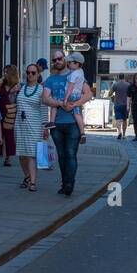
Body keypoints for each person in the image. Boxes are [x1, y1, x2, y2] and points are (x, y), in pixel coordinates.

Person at [45, 51, 94, 195]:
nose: (57, 61)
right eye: (55, 59)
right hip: (57, 124)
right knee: (61, 155)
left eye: (60, 58)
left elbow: (88, 94)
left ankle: (69, 184)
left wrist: (75, 104)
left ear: (65, 60)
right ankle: (64, 182)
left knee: (70, 153)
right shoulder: (50, 79)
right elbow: (45, 98)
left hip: (73, 122)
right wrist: (60, 103)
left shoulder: (76, 74)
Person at [14, 62, 50, 192]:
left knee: (32, 154)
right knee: (22, 154)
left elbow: (44, 109)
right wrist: (13, 92)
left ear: (38, 74)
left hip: (35, 125)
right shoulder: (21, 88)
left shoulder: (41, 90)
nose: (30, 75)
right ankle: (27, 176)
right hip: (20, 124)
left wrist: (46, 128)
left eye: (33, 73)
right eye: (28, 72)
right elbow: (12, 101)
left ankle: (33, 182)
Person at [0, 65, 19, 166]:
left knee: (9, 134)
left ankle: (8, 157)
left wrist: (11, 91)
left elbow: (14, 99)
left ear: (12, 74)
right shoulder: (1, 83)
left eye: (7, 72)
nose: (4, 74)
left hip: (10, 111)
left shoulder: (16, 85)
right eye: (4, 72)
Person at [65, 54, 89, 143]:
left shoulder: (74, 74)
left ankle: (82, 132)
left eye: (70, 62)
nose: (68, 64)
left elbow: (70, 87)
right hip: (78, 95)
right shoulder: (81, 71)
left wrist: (65, 98)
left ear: (76, 63)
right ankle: (82, 133)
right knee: (78, 113)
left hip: (72, 95)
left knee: (74, 112)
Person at [110, 75, 131, 140]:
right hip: (125, 105)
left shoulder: (115, 84)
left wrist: (113, 97)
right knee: (124, 120)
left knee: (118, 119)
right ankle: (124, 134)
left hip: (117, 104)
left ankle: (119, 132)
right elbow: (130, 95)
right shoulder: (128, 85)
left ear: (118, 77)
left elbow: (110, 93)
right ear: (124, 77)